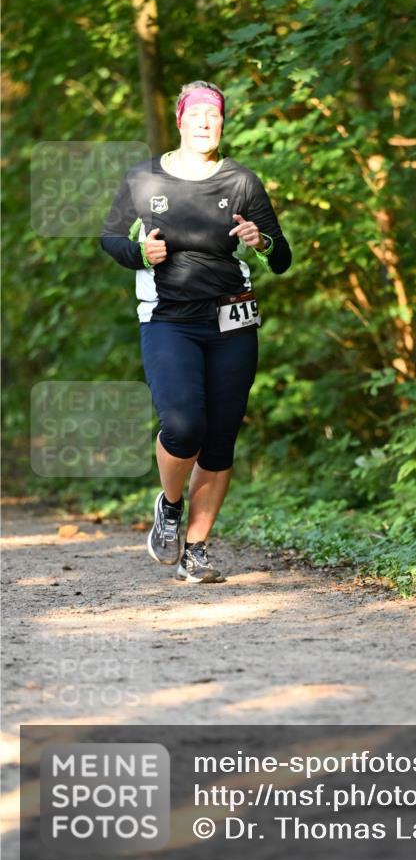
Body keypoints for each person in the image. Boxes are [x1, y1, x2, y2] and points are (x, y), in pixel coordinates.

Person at [100, 80, 291, 582]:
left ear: (222, 123)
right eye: (198, 115)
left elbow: (282, 256)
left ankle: (197, 550)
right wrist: (140, 254)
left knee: (221, 440)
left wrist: (262, 240)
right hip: (169, 319)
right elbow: (110, 237)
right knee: (184, 426)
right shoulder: (143, 178)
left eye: (215, 116)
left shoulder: (241, 182)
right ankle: (169, 504)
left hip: (233, 320)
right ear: (181, 119)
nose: (206, 124)